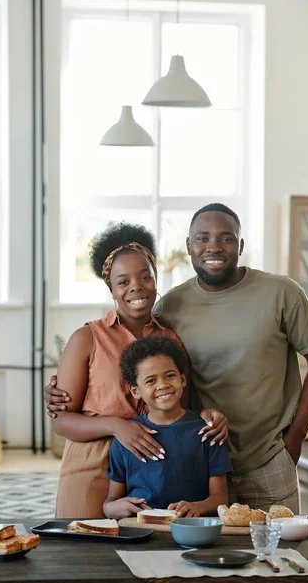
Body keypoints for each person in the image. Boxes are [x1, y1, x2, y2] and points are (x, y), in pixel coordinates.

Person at [47, 204, 308, 515]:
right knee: (94, 557)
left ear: (240, 245)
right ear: (189, 245)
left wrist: (293, 438)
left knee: (272, 553)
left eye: (226, 238)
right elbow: (66, 413)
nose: (213, 246)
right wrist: (82, 407)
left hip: (245, 459)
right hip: (140, 465)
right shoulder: (149, 316)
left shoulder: (276, 294)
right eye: (202, 238)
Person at [48, 222, 228, 519]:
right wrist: (116, 425)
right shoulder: (87, 338)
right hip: (91, 464)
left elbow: (182, 408)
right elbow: (62, 421)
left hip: (157, 467)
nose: (136, 287)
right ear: (111, 288)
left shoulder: (171, 339)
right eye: (123, 281)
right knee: (84, 554)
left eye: (145, 277)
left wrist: (208, 415)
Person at [103, 335, 232, 521]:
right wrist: (113, 508)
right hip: (141, 531)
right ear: (135, 391)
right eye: (150, 381)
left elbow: (220, 498)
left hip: (191, 528)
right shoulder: (127, 438)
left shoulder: (208, 431)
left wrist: (197, 507)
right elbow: (111, 502)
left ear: (182, 379)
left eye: (170, 375)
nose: (163, 385)